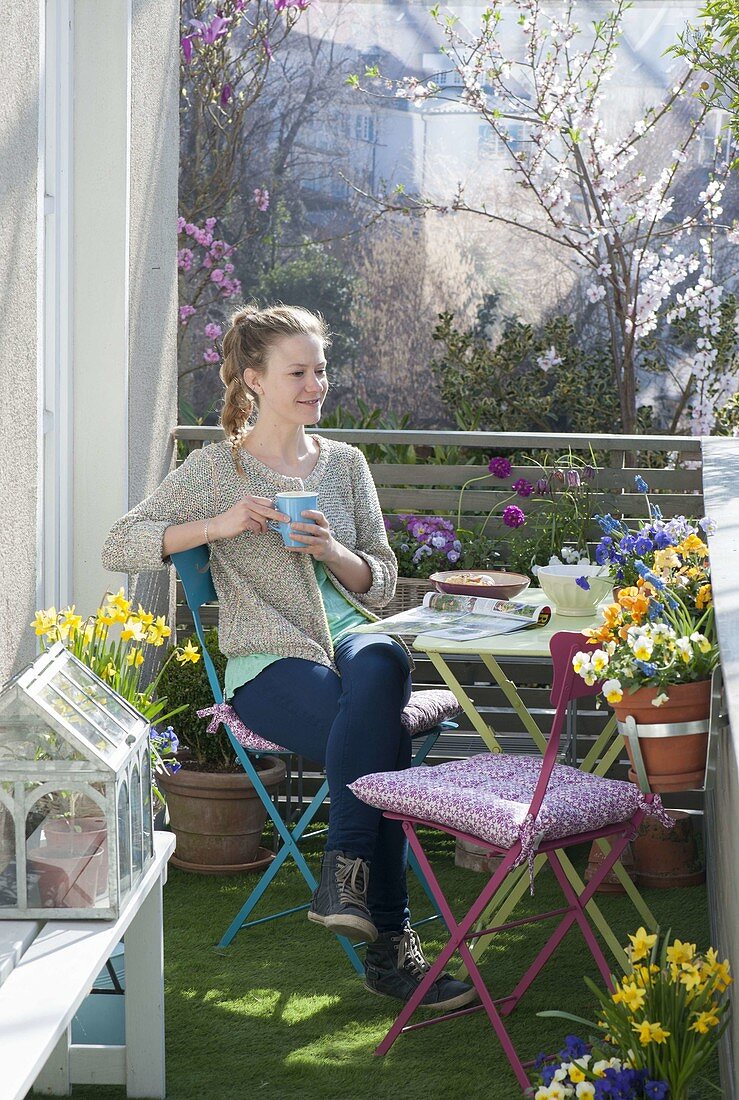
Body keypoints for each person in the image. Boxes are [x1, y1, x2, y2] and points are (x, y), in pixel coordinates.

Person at [102, 303, 475, 1011]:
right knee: (385, 738)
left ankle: (343, 869)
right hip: (268, 662)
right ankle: (390, 949)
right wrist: (223, 522)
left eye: (320, 370)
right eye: (297, 372)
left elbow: (385, 581)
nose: (315, 385)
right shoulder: (216, 468)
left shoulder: (345, 464)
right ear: (253, 380)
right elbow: (119, 543)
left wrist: (332, 550)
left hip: (350, 641)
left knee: (384, 659)